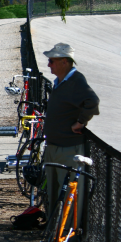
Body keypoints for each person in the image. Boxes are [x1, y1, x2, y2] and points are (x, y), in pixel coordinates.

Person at [43, 43, 99, 227]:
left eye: (52, 61)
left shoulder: (76, 80)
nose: (49, 65)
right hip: (54, 146)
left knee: (69, 197)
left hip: (68, 149)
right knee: (53, 193)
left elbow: (92, 101)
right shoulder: (60, 81)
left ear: (64, 62)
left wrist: (80, 122)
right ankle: (53, 235)